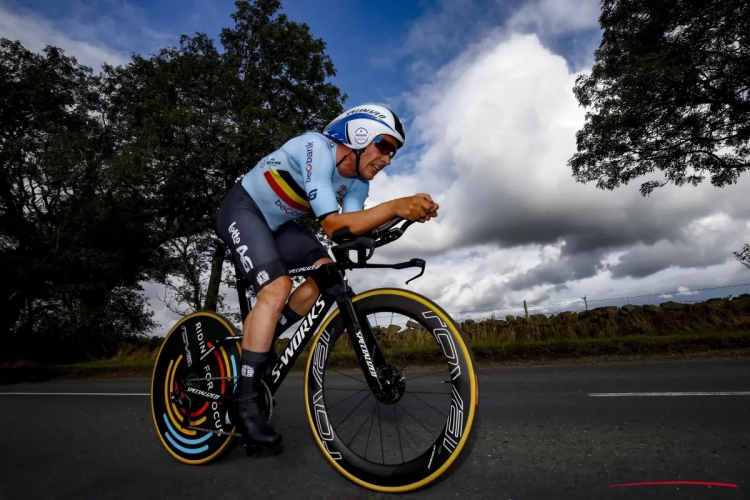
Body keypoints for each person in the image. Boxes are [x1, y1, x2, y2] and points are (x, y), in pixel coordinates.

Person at [215, 103, 439, 454]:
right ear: (359, 134)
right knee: (277, 288)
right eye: (385, 146)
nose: (389, 159)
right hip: (243, 209)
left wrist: (399, 217)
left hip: (279, 226)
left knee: (324, 272)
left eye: (394, 152)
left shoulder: (356, 182)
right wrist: (396, 206)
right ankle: (245, 403)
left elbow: (349, 229)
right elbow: (333, 225)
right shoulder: (315, 148)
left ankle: (261, 338)